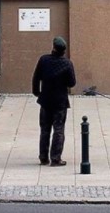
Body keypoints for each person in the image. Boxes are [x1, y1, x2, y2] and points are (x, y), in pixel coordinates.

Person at [31, 36, 77, 167]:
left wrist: (36, 92)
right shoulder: (67, 63)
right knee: (59, 129)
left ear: (53, 47)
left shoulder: (44, 60)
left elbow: (36, 77)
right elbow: (72, 83)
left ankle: (43, 157)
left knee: (45, 129)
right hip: (60, 101)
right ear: (64, 50)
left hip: (45, 100)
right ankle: (56, 158)